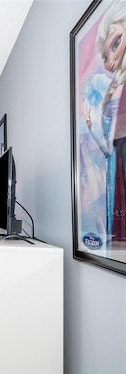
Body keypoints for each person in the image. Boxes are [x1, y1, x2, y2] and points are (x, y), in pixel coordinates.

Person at [84, 0, 126, 241]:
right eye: (105, 56)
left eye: (116, 44)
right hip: (117, 169)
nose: (110, 61)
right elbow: (108, 147)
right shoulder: (115, 88)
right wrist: (91, 125)